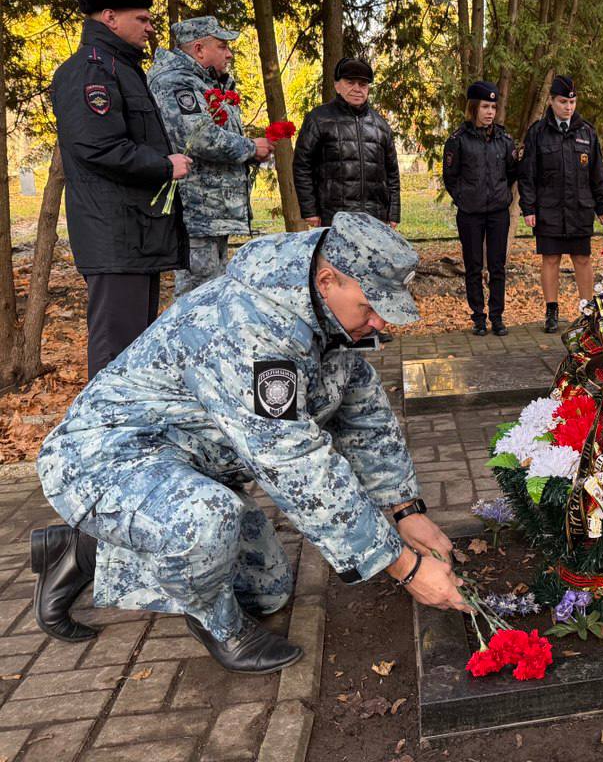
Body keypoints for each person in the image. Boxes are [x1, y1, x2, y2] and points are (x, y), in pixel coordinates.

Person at [31, 213, 467, 674]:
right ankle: (220, 628)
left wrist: (407, 511)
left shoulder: (326, 312)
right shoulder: (250, 329)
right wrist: (406, 568)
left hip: (185, 462)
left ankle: (82, 549)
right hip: (106, 458)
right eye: (370, 306)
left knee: (268, 589)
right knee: (205, 524)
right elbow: (294, 460)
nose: (379, 322)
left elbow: (362, 411)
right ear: (326, 279)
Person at [52, 0, 190, 377]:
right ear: (109, 17)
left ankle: (131, 435)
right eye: (142, 19)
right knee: (116, 357)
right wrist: (164, 166)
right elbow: (98, 146)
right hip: (114, 237)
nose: (150, 28)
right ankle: (104, 437)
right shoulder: (91, 70)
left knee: (135, 354)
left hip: (135, 235)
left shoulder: (121, 68)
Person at [149, 16, 273, 295]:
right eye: (222, 46)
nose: (229, 54)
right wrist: (251, 148)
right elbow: (200, 138)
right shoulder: (175, 82)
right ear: (199, 49)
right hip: (196, 212)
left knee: (214, 292)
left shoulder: (205, 83)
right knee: (198, 297)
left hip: (212, 212)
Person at [518, 75, 603, 333]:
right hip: (549, 209)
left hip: (580, 208)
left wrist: (602, 206)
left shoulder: (586, 132)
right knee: (551, 259)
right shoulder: (537, 132)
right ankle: (551, 312)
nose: (568, 107)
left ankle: (587, 310)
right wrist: (529, 208)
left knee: (582, 258)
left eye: (572, 101)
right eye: (563, 102)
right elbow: (528, 174)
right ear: (551, 101)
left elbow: (597, 172)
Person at [442, 81, 519, 336]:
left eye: (493, 107)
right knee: (473, 266)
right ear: (473, 107)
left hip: (498, 211)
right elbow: (450, 177)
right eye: (485, 106)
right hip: (470, 213)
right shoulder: (457, 140)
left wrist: (501, 196)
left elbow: (511, 173)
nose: (490, 112)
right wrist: (464, 198)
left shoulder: (504, 139)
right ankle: (478, 317)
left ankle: (497, 317)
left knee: (497, 266)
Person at [294, 57, 401, 229]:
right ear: (337, 85)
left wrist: (393, 213)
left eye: (363, 84)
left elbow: (392, 174)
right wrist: (310, 210)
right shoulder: (318, 119)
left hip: (375, 217)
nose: (357, 89)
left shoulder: (380, 125)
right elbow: (302, 166)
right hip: (333, 216)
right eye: (350, 82)